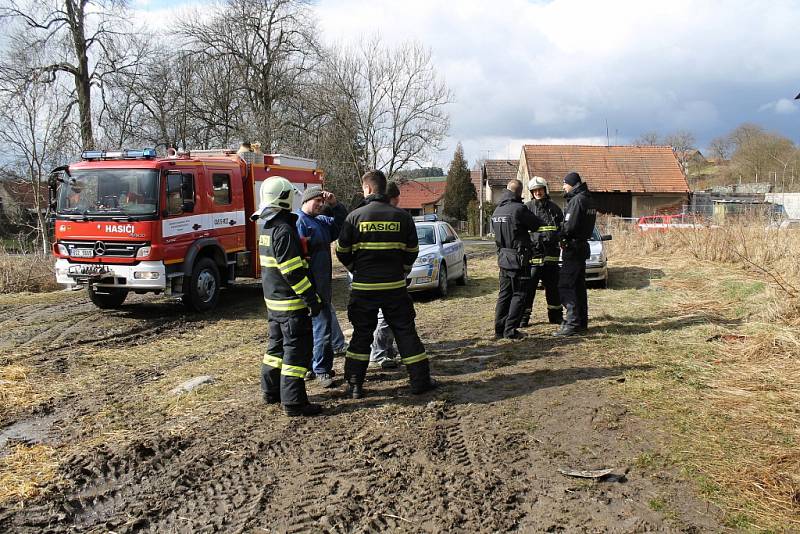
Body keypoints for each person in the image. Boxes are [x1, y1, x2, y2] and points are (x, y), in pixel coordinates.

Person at [336, 170, 437, 398]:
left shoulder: (354, 217)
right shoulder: (403, 217)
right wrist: (400, 272)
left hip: (364, 289)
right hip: (394, 288)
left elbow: (341, 251)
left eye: (363, 188)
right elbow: (412, 252)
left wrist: (356, 270)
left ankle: (354, 385)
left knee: (362, 336)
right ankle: (420, 381)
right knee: (406, 334)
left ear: (369, 189)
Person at [253, 176, 324, 417]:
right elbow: (293, 273)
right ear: (284, 198)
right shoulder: (284, 230)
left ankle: (270, 391)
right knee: (296, 351)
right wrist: (311, 299)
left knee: (275, 350)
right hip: (291, 306)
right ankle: (294, 402)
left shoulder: (268, 227)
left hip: (274, 305)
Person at [295, 186, 347, 388]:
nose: (320, 204)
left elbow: (342, 224)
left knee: (319, 329)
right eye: (317, 201)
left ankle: (313, 366)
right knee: (319, 329)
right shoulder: (300, 223)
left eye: (322, 201)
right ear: (306, 201)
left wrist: (335, 204)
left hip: (323, 286)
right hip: (310, 287)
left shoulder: (321, 222)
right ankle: (321, 370)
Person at [491, 179, 543, 339]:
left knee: (504, 294)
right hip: (519, 259)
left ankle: (499, 330)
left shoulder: (497, 211)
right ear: (520, 193)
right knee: (519, 294)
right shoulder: (519, 209)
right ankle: (510, 330)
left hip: (503, 257)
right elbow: (536, 224)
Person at [554, 171, 597, 337]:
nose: (563, 187)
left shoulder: (577, 200)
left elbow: (569, 227)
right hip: (581, 247)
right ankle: (581, 322)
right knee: (579, 287)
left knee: (565, 286)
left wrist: (559, 233)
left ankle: (571, 323)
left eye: (565, 183)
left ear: (572, 184)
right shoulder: (588, 199)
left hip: (573, 248)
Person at [521, 176, 564, 328]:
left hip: (551, 257)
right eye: (535, 190)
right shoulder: (526, 208)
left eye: (540, 189)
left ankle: (556, 317)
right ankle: (523, 318)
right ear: (531, 192)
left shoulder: (555, 209)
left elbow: (561, 230)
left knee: (553, 289)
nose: (538, 192)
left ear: (545, 190)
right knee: (528, 290)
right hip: (533, 257)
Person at [369, 180, 402, 369]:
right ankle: (378, 354)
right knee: (384, 317)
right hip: (383, 278)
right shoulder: (392, 217)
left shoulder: (364, 213)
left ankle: (386, 350)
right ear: (392, 198)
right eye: (397, 199)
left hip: (371, 277)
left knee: (386, 317)